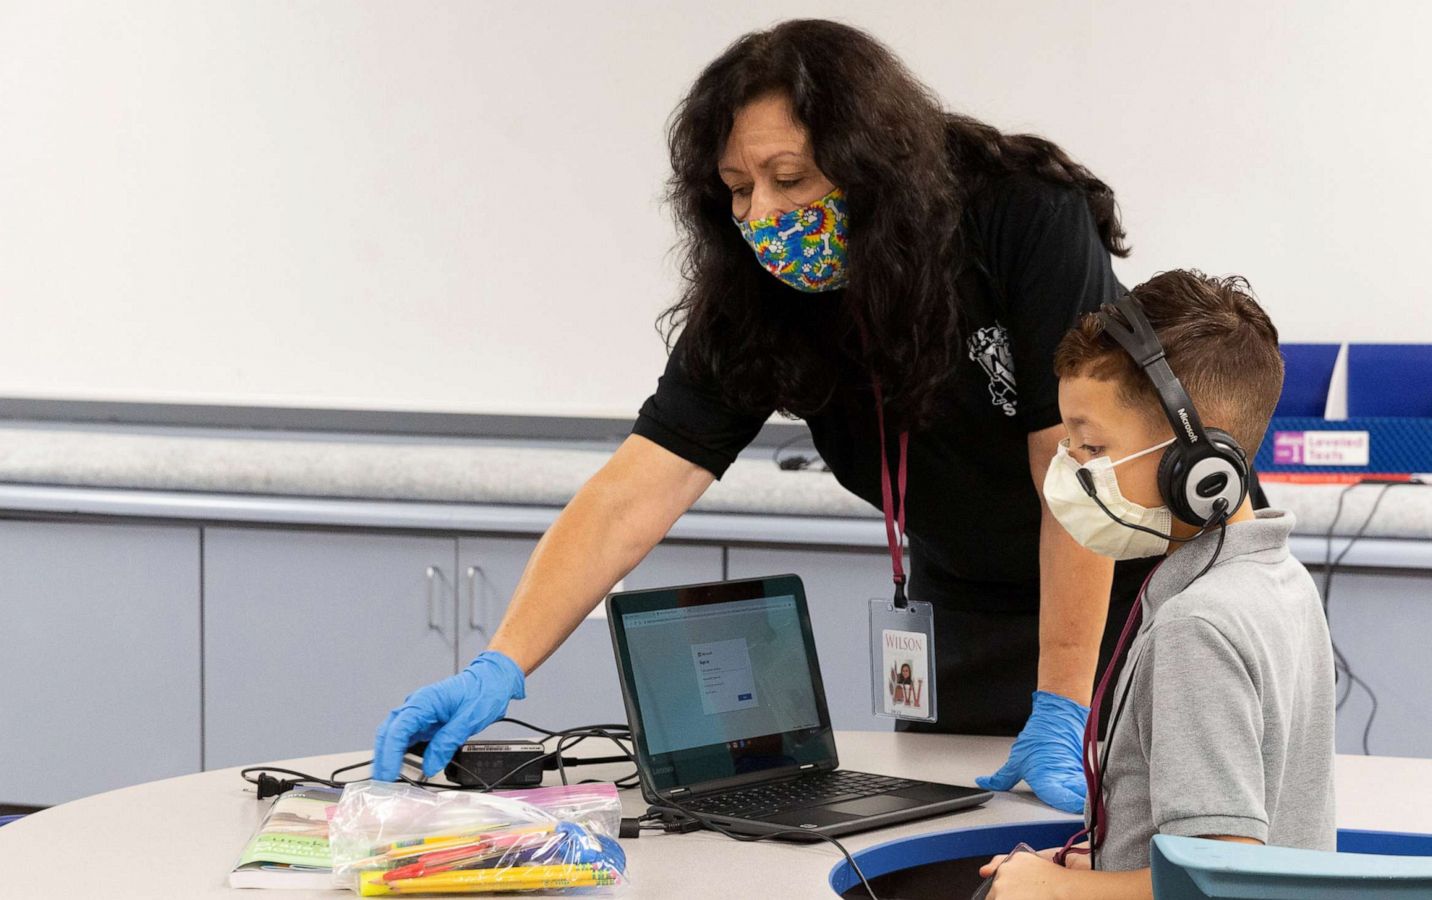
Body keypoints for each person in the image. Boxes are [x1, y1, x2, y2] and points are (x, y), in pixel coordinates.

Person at [371, 18, 1151, 811]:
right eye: (739, 189)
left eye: (790, 177)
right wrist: (501, 662)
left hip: (1128, 587)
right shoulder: (756, 302)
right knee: (949, 847)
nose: (765, 215)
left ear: (872, 167)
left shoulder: (1020, 217)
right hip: (966, 604)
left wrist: (1063, 705)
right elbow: (631, 494)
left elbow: (1079, 477)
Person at [978, 271, 1335, 899]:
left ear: (1197, 466)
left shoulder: (1196, 626)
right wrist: (1115, 861)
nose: (1070, 469)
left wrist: (1056, 892)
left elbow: (1222, 884)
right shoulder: (1281, 582)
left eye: (1090, 445)